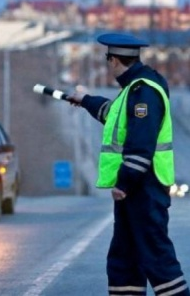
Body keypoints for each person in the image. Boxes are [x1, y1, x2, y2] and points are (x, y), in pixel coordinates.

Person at [67, 33, 190, 296]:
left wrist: (124, 183)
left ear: (113, 60)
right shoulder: (133, 89)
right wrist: (85, 99)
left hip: (144, 188)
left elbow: (140, 142)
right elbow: (113, 115)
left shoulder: (143, 91)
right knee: (125, 258)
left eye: (107, 60)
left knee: (157, 257)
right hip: (138, 190)